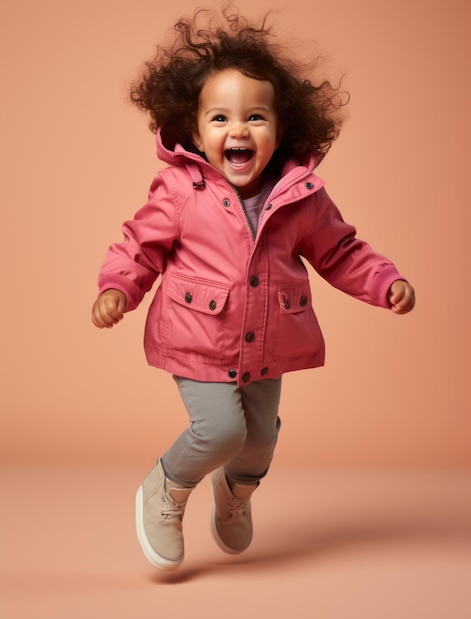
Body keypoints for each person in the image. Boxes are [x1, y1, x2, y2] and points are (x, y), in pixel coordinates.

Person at [91, 8, 415, 572]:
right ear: (194, 130)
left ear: (281, 128)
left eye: (255, 118)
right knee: (221, 430)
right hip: (197, 335)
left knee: (259, 440)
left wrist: (384, 282)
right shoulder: (179, 190)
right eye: (219, 118)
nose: (238, 131)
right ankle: (165, 488)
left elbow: (340, 251)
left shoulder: (302, 196)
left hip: (268, 341)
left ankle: (235, 494)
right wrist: (118, 286)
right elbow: (139, 245)